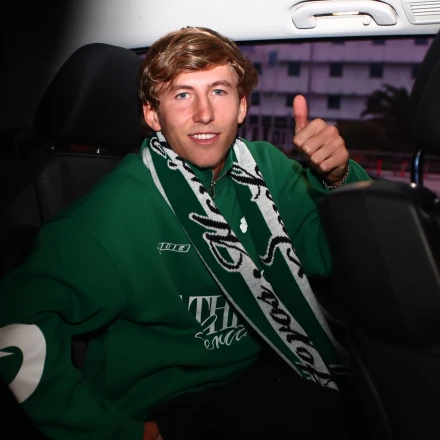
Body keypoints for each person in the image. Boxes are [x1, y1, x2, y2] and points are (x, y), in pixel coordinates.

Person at [0, 26, 370, 440]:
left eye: (218, 91)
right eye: (181, 95)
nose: (204, 113)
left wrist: (339, 178)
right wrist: (112, 432)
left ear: (242, 105)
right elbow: (14, 324)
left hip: (269, 366)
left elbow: (347, 258)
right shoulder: (117, 208)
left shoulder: (266, 169)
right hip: (170, 401)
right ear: (152, 115)